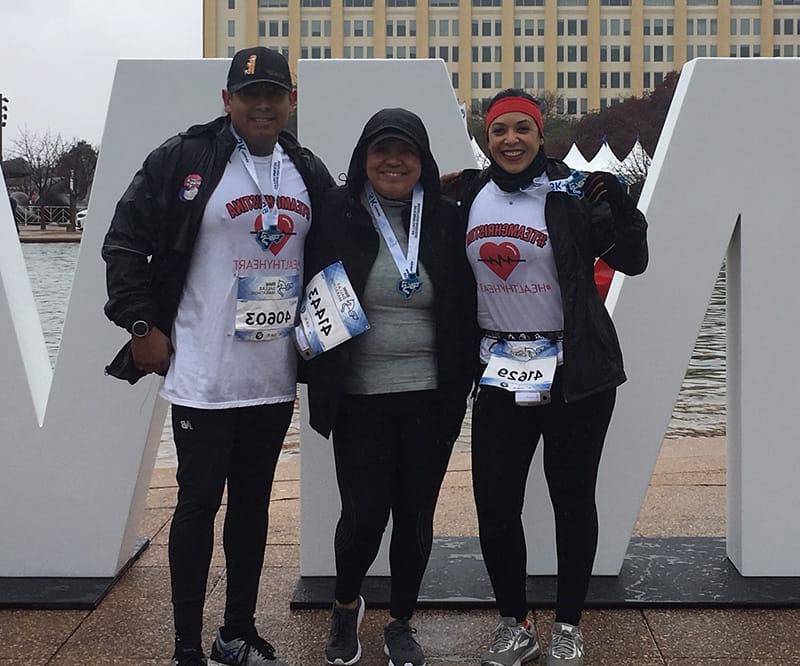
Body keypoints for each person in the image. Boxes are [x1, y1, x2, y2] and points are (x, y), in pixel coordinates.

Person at [102, 47, 333, 666]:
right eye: (248, 94)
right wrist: (140, 322)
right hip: (204, 375)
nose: (261, 104)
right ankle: (185, 647)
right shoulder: (183, 158)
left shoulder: (305, 169)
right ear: (226, 100)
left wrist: (446, 189)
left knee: (253, 508)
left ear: (291, 101)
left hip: (273, 375)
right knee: (197, 503)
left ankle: (236, 632)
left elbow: (352, 230)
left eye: (273, 93)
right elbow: (122, 242)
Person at [452, 89, 648, 666]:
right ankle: (515, 623)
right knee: (495, 501)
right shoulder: (467, 195)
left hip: (575, 373)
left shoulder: (572, 192)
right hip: (498, 374)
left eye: (522, 129)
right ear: (487, 139)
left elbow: (632, 259)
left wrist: (623, 208)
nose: (511, 140)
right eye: (498, 132)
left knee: (572, 499)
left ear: (540, 134)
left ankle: (567, 623)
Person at [301, 108, 476, 666]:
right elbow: (294, 166)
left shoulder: (447, 220)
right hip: (359, 398)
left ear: (424, 162)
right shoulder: (337, 213)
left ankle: (401, 619)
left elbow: (509, 184)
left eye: (407, 151)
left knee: (416, 516)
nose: (394, 160)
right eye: (381, 150)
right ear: (362, 160)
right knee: (363, 515)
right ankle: (345, 605)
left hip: (430, 397)